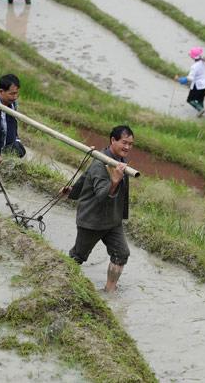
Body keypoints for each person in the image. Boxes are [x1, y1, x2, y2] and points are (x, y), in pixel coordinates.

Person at [63, 125, 134, 293]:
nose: (127, 147)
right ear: (113, 140)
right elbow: (102, 195)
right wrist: (115, 181)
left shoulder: (119, 161)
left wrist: (72, 191)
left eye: (131, 144)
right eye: (124, 143)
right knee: (77, 257)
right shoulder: (101, 165)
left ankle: (109, 291)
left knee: (121, 254)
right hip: (92, 220)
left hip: (112, 220)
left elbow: (85, 177)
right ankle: (60, 281)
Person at [0, 74, 26, 158]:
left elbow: (13, 123)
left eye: (16, 93)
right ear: (1, 91)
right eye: (12, 94)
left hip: (11, 145)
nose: (15, 97)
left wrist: (17, 140)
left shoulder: (13, 103)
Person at [175, 46, 205, 117]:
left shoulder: (194, 67)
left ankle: (200, 109)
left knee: (190, 100)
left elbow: (190, 78)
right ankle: (201, 109)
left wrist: (179, 79)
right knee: (200, 98)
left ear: (193, 57)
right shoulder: (204, 62)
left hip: (198, 86)